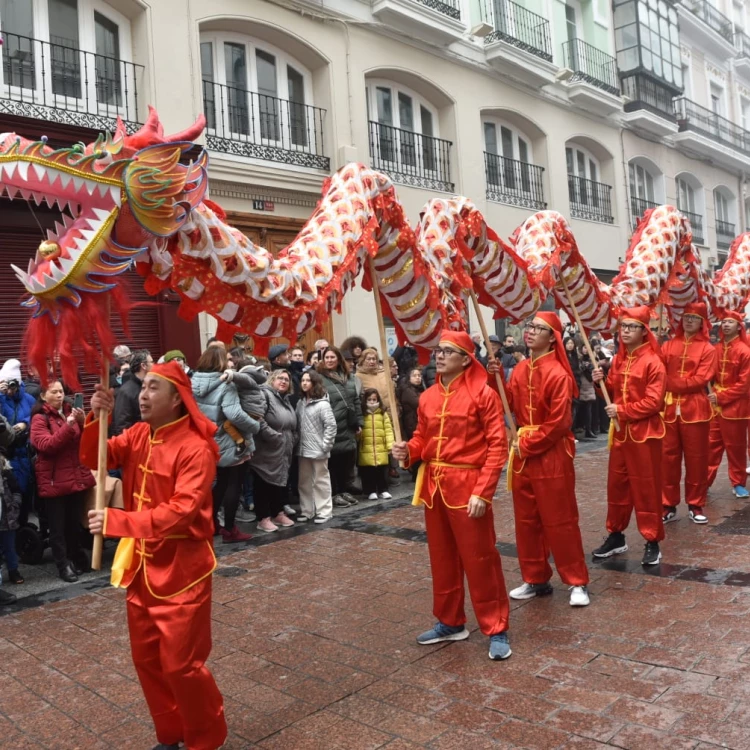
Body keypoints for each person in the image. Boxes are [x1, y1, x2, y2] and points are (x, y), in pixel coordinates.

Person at [85, 361, 227, 750]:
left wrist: (120, 522)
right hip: (141, 568)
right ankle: (171, 734)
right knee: (147, 660)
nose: (142, 395)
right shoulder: (138, 435)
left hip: (184, 571)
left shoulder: (196, 449)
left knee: (182, 665)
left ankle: (206, 738)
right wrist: (97, 416)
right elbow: (95, 458)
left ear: (177, 401)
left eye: (151, 388)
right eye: (142, 387)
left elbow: (182, 510)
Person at [391, 330, 511, 661]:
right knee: (442, 559)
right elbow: (421, 439)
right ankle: (449, 621)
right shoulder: (428, 396)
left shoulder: (484, 395)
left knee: (481, 559)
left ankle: (496, 626)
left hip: (468, 486)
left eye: (447, 351)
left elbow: (497, 446)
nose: (439, 355)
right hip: (435, 486)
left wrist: (483, 492)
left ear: (465, 359)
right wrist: (408, 450)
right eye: (438, 350)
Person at [495, 314, 589, 607]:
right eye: (530, 327)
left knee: (560, 519)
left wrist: (528, 443)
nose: (530, 332)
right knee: (526, 520)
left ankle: (577, 581)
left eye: (539, 329)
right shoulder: (520, 369)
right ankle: (535, 577)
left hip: (551, 453)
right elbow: (507, 404)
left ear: (553, 338)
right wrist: (493, 376)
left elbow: (560, 422)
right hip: (524, 452)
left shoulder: (558, 373)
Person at [592, 307, 667, 566]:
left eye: (631, 327)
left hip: (645, 436)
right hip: (621, 434)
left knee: (646, 488)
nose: (624, 331)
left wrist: (622, 410)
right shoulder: (620, 360)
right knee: (617, 486)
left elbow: (654, 402)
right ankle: (616, 535)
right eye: (622, 326)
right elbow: (612, 393)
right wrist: (600, 382)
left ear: (644, 332)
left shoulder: (653, 362)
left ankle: (652, 540)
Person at [192, 347, 259, 543]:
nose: (230, 363)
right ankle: (230, 529)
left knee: (219, 483)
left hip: (209, 439)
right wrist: (255, 426)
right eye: (227, 359)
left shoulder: (194, 383)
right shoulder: (225, 384)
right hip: (231, 439)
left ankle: (212, 524)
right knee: (234, 484)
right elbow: (235, 414)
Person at [30, 380, 95, 582]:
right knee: (57, 527)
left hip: (74, 477)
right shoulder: (39, 419)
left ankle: (77, 558)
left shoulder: (69, 412)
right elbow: (47, 445)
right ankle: (63, 564)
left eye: (61, 391)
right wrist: (68, 426)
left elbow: (85, 442)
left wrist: (84, 423)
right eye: (54, 392)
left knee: (73, 523)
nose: (59, 395)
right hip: (53, 480)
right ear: (43, 396)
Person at [661, 303, 717, 524]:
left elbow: (701, 379)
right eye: (686, 317)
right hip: (668, 410)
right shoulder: (667, 345)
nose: (689, 321)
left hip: (695, 409)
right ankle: (668, 504)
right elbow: (658, 372)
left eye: (694, 318)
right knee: (667, 459)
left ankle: (696, 504)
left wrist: (669, 384)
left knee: (696, 460)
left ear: (702, 323)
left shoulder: (708, 349)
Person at [248, 370, 298, 532]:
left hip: (283, 450)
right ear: (272, 379)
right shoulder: (266, 395)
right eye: (280, 378)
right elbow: (257, 417)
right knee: (263, 482)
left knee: (278, 483)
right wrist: (273, 436)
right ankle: (263, 518)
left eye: (286, 379)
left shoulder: (285, 400)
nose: (283, 381)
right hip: (266, 449)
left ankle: (277, 513)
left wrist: (293, 438)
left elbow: (291, 423)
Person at [707, 310, 750, 498]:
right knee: (710, 446)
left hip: (736, 407)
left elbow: (744, 384)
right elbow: (708, 375)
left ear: (739, 326)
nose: (725, 325)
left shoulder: (745, 351)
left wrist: (722, 397)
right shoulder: (715, 349)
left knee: (736, 447)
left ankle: (738, 482)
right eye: (723, 322)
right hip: (714, 405)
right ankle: (703, 482)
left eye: (730, 322)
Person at [318, 346, 362, 507]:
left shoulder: (348, 377)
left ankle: (344, 491)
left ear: (338, 359)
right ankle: (334, 493)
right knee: (333, 463)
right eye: (326, 357)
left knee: (345, 462)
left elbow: (355, 401)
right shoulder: (319, 377)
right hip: (331, 425)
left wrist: (358, 422)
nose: (329, 360)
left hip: (348, 425)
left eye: (332, 357)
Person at [296, 370, 337, 523]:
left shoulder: (322, 404)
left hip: (318, 449)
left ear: (314, 383)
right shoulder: (300, 403)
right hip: (303, 449)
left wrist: (325, 446)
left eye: (308, 380)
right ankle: (307, 510)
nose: (304, 383)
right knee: (304, 481)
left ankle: (325, 511)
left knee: (321, 480)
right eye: (303, 380)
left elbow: (331, 426)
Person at [358, 388, 395, 501]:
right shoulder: (363, 414)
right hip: (366, 448)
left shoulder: (382, 413)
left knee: (382, 471)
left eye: (374, 399)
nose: (372, 402)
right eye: (369, 399)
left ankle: (383, 489)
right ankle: (370, 490)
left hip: (381, 447)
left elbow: (388, 430)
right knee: (368, 472)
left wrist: (390, 445)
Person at [112, 350, 154, 436]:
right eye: (152, 362)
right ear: (143, 366)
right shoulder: (126, 391)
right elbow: (122, 424)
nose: (154, 365)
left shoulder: (148, 386)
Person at [356, 348, 393, 417]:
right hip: (372, 416)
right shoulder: (358, 376)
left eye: (374, 359)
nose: (372, 361)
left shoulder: (384, 372)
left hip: (390, 412)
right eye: (369, 359)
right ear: (363, 360)